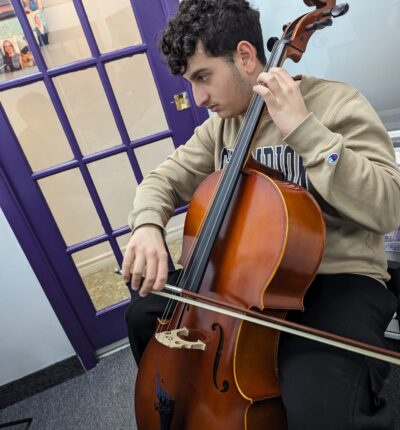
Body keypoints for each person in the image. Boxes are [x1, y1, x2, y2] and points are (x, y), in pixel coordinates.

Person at [122, 0, 400, 428]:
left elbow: (388, 207)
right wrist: (146, 225)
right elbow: (164, 178)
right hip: (244, 277)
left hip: (336, 277)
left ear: (246, 57)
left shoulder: (336, 103)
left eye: (203, 77)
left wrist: (306, 131)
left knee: (319, 398)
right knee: (145, 317)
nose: (198, 99)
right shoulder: (224, 124)